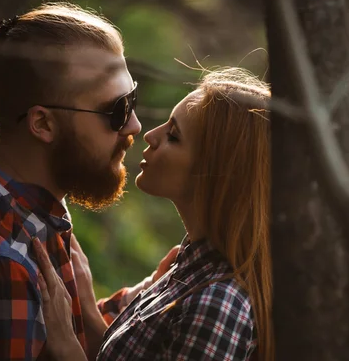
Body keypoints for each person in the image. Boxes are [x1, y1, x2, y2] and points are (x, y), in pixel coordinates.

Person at [32, 67, 274, 360]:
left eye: (173, 136)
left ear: (215, 174)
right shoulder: (186, 268)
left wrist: (67, 348)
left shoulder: (216, 303)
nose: (149, 134)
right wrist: (83, 307)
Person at [0, 2, 146, 360]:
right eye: (118, 110)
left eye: (132, 98)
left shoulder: (5, 195)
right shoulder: (0, 268)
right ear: (43, 124)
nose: (134, 125)